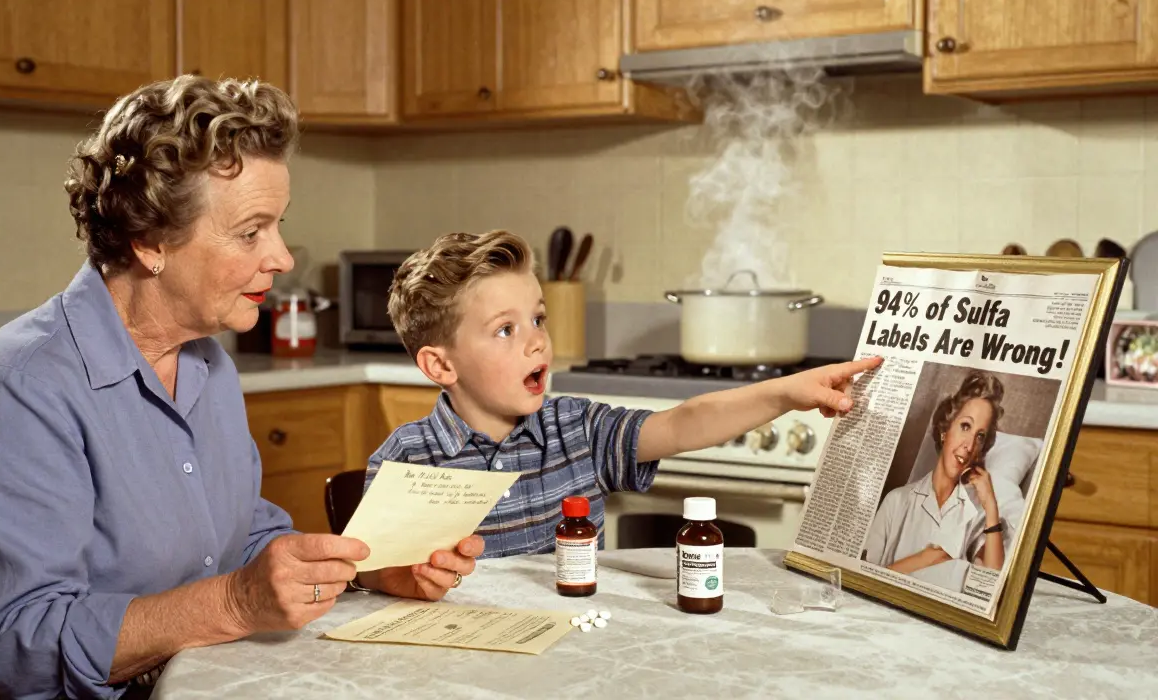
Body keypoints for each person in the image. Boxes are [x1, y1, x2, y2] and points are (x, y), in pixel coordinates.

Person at [0, 75, 478, 700]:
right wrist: (235, 600)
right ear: (151, 240)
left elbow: (238, 536)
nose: (282, 257)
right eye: (251, 231)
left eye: (278, 225)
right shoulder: (20, 386)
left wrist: (362, 569)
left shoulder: (205, 360)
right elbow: (22, 644)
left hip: (180, 672)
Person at [358, 230, 882, 564]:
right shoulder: (407, 462)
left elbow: (683, 423)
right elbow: (373, 579)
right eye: (505, 330)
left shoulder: (578, 432)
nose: (538, 339)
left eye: (537, 318)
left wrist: (786, 392)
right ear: (440, 364)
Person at [863, 370, 1024, 583]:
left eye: (980, 436)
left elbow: (990, 580)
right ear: (945, 430)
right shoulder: (897, 501)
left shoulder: (976, 513)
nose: (969, 445)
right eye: (965, 426)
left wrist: (992, 508)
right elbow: (865, 580)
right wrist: (929, 557)